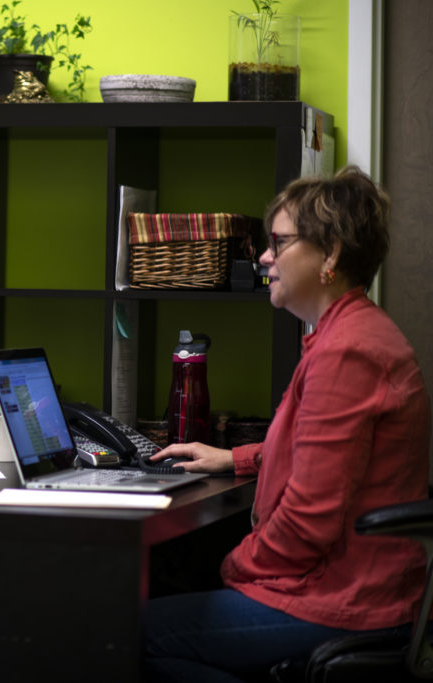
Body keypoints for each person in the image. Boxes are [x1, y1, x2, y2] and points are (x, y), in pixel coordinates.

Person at [142, 166, 431, 682]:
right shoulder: (349, 332)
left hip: (344, 598)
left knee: (131, 634)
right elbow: (324, 452)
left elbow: (309, 518)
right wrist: (237, 457)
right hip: (356, 585)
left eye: (279, 242)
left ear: (332, 253)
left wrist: (237, 564)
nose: (264, 257)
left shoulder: (348, 352)